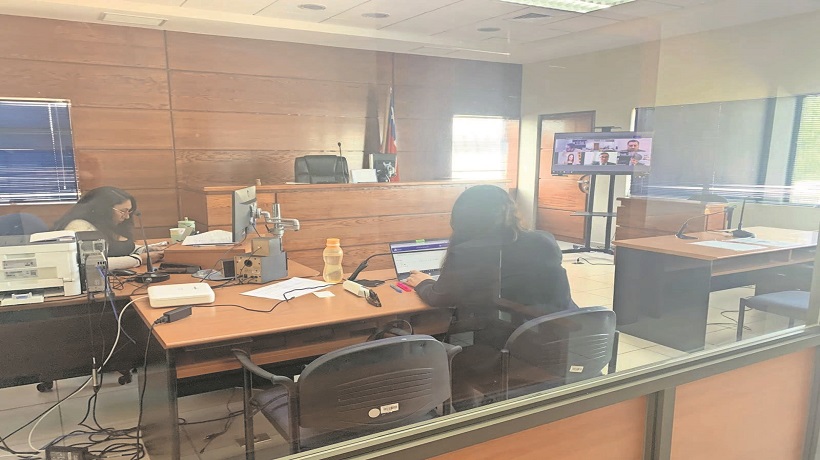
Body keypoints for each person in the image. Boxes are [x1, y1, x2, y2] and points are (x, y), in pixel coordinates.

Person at [404, 184, 574, 325]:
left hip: (507, 336)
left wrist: (423, 282)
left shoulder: (469, 252)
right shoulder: (544, 240)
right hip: (555, 332)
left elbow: (440, 298)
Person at [53, 186, 164, 270]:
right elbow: (92, 263)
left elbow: (116, 247)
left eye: (129, 211)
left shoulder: (107, 224)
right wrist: (138, 259)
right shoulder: (79, 227)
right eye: (123, 211)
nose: (127, 217)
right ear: (103, 209)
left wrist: (143, 250)